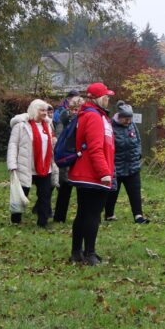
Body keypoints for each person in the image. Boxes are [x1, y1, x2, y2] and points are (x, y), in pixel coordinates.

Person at [68, 83, 116, 265]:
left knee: (83, 213)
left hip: (86, 172)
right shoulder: (95, 117)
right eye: (106, 96)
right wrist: (105, 172)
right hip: (94, 174)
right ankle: (89, 254)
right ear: (96, 98)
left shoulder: (89, 115)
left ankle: (76, 253)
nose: (108, 99)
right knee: (93, 214)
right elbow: (96, 148)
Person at [7, 99, 58, 227]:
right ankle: (16, 219)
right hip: (26, 166)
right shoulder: (21, 126)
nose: (45, 113)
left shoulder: (48, 125)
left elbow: (50, 145)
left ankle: (43, 222)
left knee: (45, 195)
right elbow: (13, 145)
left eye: (46, 110)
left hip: (45, 167)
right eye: (42, 110)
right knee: (21, 193)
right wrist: (12, 165)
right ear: (34, 110)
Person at [105, 101, 150, 223]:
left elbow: (138, 141)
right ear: (119, 117)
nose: (128, 121)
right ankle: (109, 214)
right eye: (126, 119)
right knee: (113, 192)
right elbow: (108, 145)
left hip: (132, 165)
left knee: (135, 191)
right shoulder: (110, 126)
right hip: (116, 166)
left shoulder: (132, 125)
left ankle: (138, 216)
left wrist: (138, 154)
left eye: (130, 119)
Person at [52, 95, 84, 223]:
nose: (75, 112)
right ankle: (59, 217)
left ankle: (83, 217)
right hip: (68, 156)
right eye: (73, 109)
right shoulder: (65, 119)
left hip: (80, 156)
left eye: (77, 109)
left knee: (82, 189)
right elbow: (60, 137)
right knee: (64, 187)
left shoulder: (85, 120)